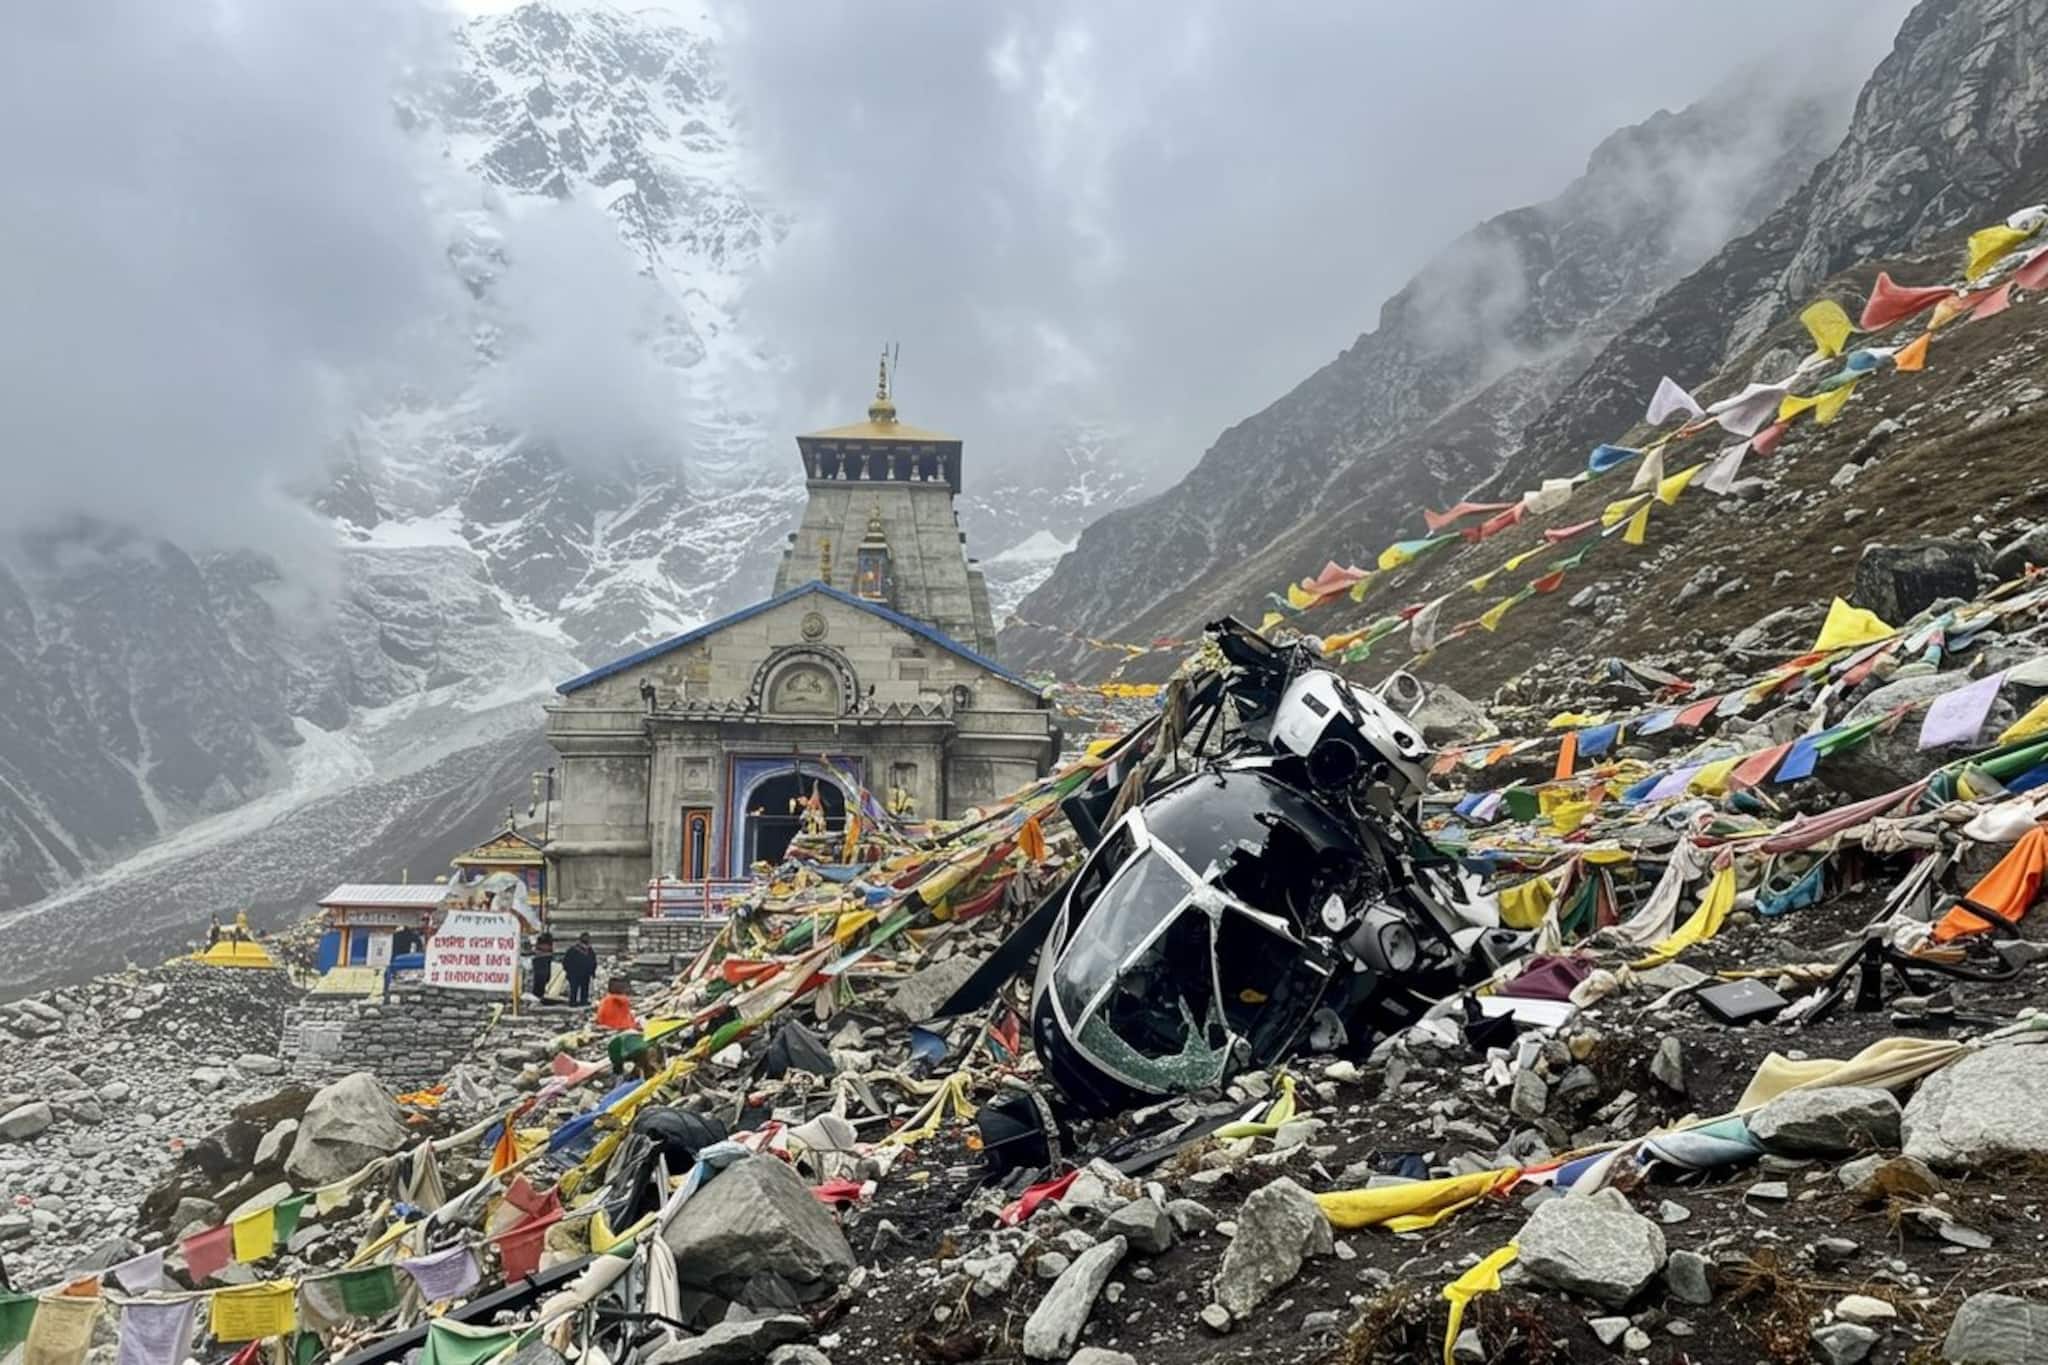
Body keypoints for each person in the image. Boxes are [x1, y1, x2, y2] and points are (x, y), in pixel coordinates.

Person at [563, 934, 597, 1007]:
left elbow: (593, 961)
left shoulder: (590, 950)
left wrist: (592, 971)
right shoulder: (573, 950)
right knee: (574, 988)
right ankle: (573, 1001)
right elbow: (566, 961)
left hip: (586, 973)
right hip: (574, 973)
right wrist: (569, 971)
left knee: (585, 988)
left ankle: (583, 1001)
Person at [530, 930, 555, 1002]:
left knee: (539, 980)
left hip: (540, 960)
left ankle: (538, 995)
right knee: (542, 979)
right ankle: (539, 995)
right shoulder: (548, 946)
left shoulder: (540, 945)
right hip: (544, 960)